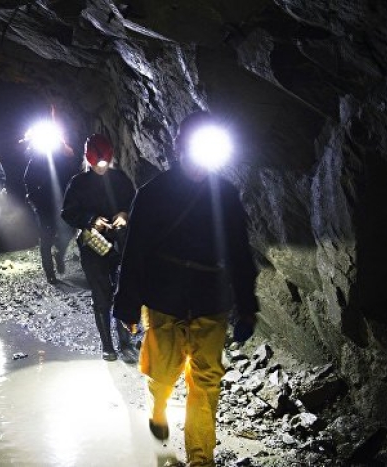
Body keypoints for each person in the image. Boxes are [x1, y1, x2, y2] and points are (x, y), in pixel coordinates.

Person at [112, 111, 259, 467]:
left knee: (206, 383)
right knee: (163, 375)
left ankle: (200, 458)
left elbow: (239, 252)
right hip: (165, 299)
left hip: (211, 300)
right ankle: (158, 408)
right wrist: (128, 304)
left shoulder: (224, 194)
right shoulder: (154, 193)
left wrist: (246, 304)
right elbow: (135, 252)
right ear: (180, 147)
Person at [62, 134, 136, 361]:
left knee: (122, 290)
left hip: (119, 244)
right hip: (93, 246)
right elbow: (67, 213)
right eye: (97, 164)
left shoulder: (120, 179)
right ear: (89, 160)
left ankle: (125, 342)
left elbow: (134, 203)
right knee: (101, 293)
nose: (101, 167)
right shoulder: (78, 183)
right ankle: (108, 346)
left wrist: (124, 214)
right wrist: (91, 219)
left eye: (105, 163)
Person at [23, 137, 77, 283]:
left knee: (70, 230)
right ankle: (50, 273)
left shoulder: (60, 158)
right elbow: (28, 182)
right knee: (46, 239)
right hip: (44, 206)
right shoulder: (35, 161)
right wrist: (36, 200)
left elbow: (71, 173)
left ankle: (59, 253)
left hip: (62, 203)